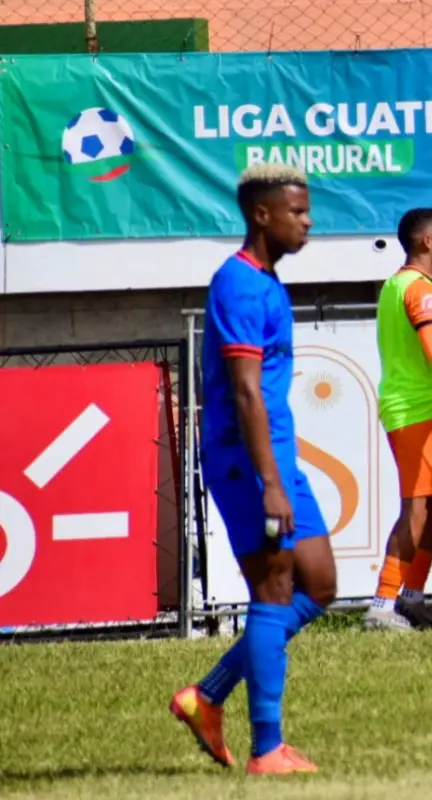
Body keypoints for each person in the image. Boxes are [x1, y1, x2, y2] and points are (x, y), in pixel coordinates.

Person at [170, 164, 334, 775]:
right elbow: (243, 394)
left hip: (278, 458)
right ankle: (268, 748)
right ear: (262, 215)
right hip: (247, 463)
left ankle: (206, 695)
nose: (308, 221)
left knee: (318, 585)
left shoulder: (268, 281)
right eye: (297, 212)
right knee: (272, 592)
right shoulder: (237, 284)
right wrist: (269, 481)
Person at [366, 209, 432, 631]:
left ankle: (411, 597)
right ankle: (383, 604)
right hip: (415, 410)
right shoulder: (419, 291)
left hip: (420, 407)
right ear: (426, 241)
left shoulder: (401, 283)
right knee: (419, 508)